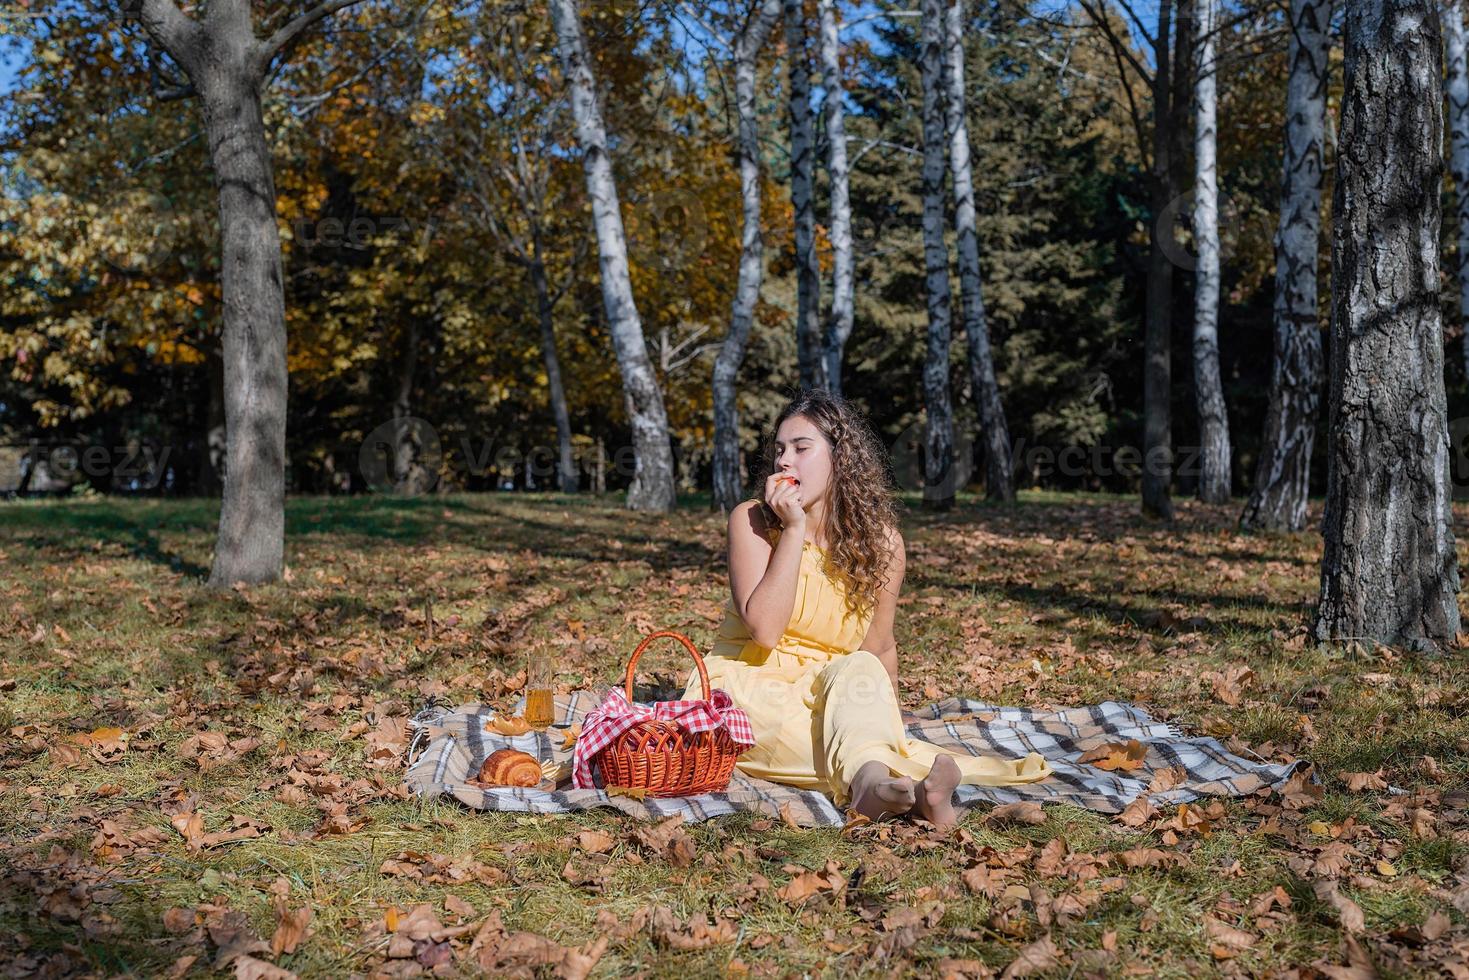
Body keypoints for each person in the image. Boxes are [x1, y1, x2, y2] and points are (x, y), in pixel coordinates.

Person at [682, 389, 1051, 827]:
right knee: (822, 741)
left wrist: (887, 718)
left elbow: (878, 648)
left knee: (858, 674)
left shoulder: (883, 544)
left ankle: (884, 790)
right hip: (750, 686)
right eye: (780, 450)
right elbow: (764, 629)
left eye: (802, 449)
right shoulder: (754, 521)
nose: (784, 461)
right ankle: (887, 786)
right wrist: (795, 528)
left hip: (831, 690)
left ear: (841, 459)